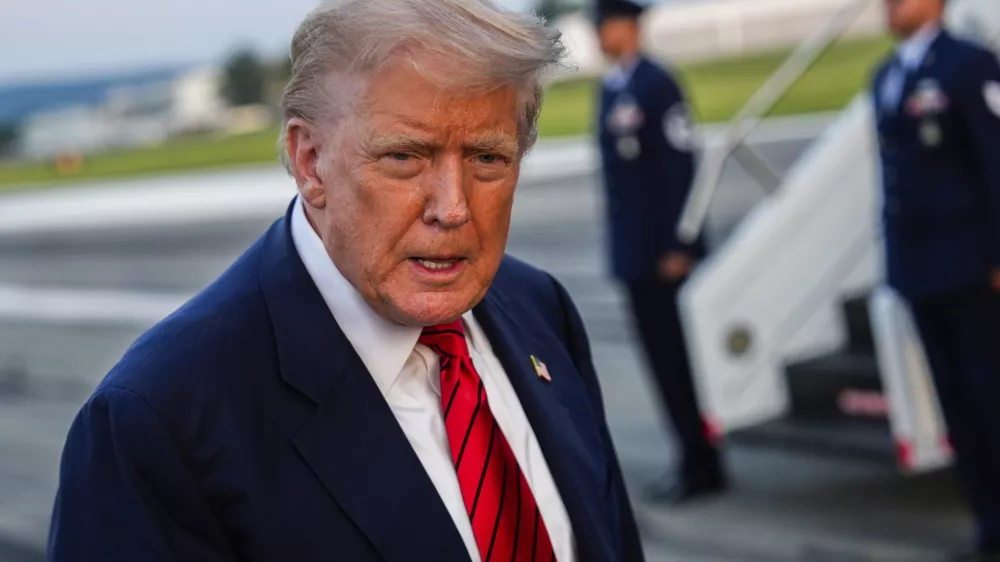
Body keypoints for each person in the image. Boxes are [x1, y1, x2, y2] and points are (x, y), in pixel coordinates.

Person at [46, 1, 645, 561]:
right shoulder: (157, 419)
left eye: (488, 158)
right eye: (404, 157)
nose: (453, 208)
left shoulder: (539, 308)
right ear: (311, 162)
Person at [872, 0, 1000, 559]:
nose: (890, 5)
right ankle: (988, 520)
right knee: (957, 405)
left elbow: (995, 160)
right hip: (920, 269)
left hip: (971, 266)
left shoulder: (968, 63)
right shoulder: (886, 74)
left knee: (991, 397)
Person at [594, 0, 726, 505]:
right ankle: (690, 454)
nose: (602, 34)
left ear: (630, 27)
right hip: (635, 252)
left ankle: (702, 461)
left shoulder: (656, 84)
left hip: (664, 255)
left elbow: (679, 165)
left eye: (607, 25)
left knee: (681, 361)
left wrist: (680, 243)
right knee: (661, 362)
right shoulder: (612, 87)